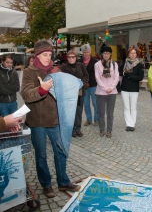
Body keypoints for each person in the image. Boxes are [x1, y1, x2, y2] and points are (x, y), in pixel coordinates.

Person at [21, 40, 80, 198]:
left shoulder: (55, 70)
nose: (48, 57)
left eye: (50, 54)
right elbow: (26, 94)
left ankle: (63, 181)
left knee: (60, 151)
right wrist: (42, 89)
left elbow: (63, 92)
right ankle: (46, 185)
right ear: (37, 56)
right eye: (44, 55)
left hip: (55, 120)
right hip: (37, 121)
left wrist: (73, 89)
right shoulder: (29, 71)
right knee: (41, 155)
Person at [61, 50, 89, 137]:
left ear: (76, 58)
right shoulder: (64, 67)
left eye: (73, 57)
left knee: (79, 111)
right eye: (69, 57)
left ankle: (78, 129)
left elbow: (86, 76)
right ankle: (72, 129)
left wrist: (82, 83)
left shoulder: (81, 65)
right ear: (67, 58)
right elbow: (62, 78)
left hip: (80, 91)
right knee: (70, 112)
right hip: (69, 92)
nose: (71, 58)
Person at [95, 46, 119, 138]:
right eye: (104, 53)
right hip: (101, 92)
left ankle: (109, 130)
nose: (106, 55)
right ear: (102, 54)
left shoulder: (114, 64)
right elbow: (97, 78)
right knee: (101, 112)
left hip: (112, 92)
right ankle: (101, 129)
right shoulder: (97, 65)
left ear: (110, 54)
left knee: (110, 113)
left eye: (108, 53)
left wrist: (111, 88)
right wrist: (105, 88)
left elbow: (116, 77)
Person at [120, 45, 144, 131]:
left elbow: (140, 77)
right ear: (128, 54)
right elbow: (120, 73)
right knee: (126, 107)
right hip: (124, 88)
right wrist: (128, 75)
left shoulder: (139, 64)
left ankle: (132, 124)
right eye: (131, 53)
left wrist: (129, 75)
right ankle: (128, 124)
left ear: (136, 54)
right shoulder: (124, 63)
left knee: (133, 107)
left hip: (134, 88)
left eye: (134, 53)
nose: (133, 55)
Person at [80, 44, 98, 126]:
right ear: (82, 53)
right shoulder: (80, 62)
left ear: (90, 52)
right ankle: (89, 119)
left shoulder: (95, 61)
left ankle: (96, 119)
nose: (86, 54)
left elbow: (97, 74)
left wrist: (90, 81)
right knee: (86, 103)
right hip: (84, 86)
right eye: (84, 52)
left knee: (95, 103)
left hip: (93, 85)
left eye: (87, 52)